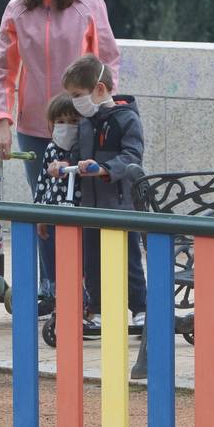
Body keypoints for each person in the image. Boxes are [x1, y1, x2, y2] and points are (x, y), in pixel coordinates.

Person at [0, 0, 120, 305]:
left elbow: (107, 61)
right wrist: (2, 122)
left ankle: (90, 290)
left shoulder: (89, 4)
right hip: (34, 126)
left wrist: (102, 107)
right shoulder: (17, 9)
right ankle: (52, 290)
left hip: (82, 121)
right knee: (45, 206)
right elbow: (3, 70)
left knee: (83, 204)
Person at [59, 54, 146, 334]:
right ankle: (95, 308)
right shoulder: (86, 122)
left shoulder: (127, 119)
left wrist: (104, 169)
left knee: (128, 259)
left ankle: (141, 308)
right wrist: (64, 165)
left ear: (99, 89)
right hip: (91, 205)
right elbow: (77, 155)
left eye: (77, 95)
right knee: (92, 260)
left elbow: (132, 156)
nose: (75, 102)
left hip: (120, 205)